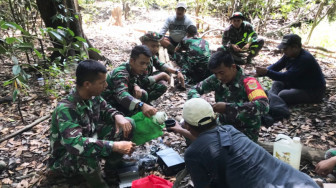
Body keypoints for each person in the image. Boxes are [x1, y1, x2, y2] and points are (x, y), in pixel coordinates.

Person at [174, 98, 320, 188]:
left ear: (187, 125)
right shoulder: (229, 130)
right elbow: (210, 141)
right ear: (214, 117)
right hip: (303, 182)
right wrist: (180, 130)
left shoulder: (193, 153)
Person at [49, 60, 136, 188]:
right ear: (87, 84)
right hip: (67, 158)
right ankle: (100, 185)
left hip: (90, 138)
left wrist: (117, 115)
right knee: (86, 156)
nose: (106, 85)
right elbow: (75, 145)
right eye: (102, 82)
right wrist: (115, 146)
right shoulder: (66, 109)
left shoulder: (93, 95)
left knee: (129, 123)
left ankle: (112, 168)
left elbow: (106, 108)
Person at [188, 50, 269, 142]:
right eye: (215, 73)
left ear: (233, 67)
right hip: (221, 125)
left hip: (244, 131)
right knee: (189, 129)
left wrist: (227, 108)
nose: (219, 77)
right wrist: (200, 103)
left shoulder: (249, 82)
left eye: (221, 73)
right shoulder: (216, 79)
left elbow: (263, 105)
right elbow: (193, 90)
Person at [256, 34, 326, 105]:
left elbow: (287, 77)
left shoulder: (304, 59)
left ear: (295, 47)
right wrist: (260, 72)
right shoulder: (289, 55)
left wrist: (267, 72)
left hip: (312, 91)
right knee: (277, 83)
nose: (283, 51)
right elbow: (276, 66)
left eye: (285, 49)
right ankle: (271, 99)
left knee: (283, 95)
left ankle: (272, 100)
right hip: (297, 84)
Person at [102, 45, 162, 117]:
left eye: (147, 64)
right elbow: (122, 94)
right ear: (132, 61)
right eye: (142, 63)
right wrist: (141, 105)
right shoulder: (121, 73)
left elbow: (135, 80)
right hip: (108, 105)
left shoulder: (134, 68)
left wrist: (135, 85)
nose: (145, 67)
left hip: (119, 100)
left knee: (143, 94)